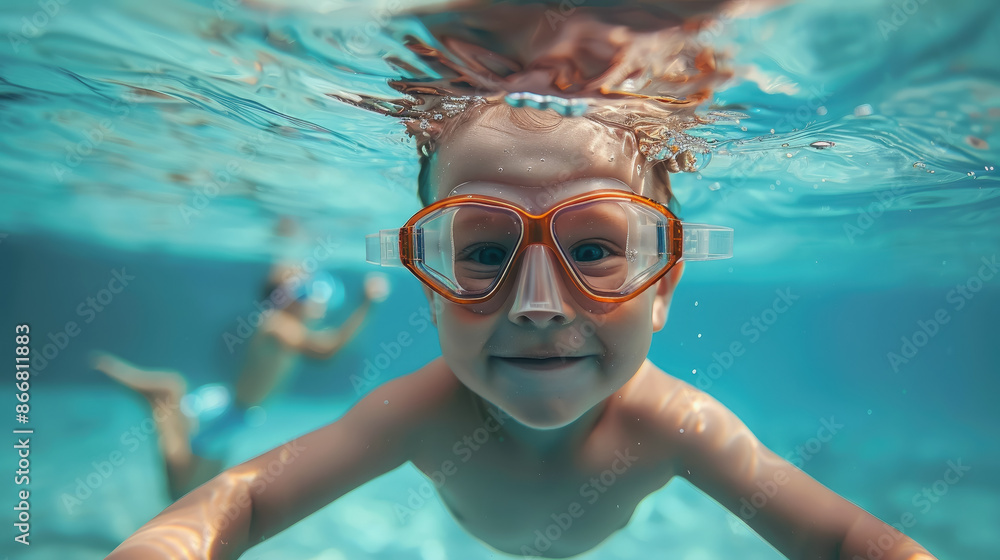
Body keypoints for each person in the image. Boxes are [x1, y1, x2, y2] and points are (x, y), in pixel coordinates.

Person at [106, 3, 938, 559]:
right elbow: (244, 503)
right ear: (431, 287)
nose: (539, 305)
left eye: (594, 252)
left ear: (664, 286)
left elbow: (840, 544)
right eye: (482, 253)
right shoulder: (420, 415)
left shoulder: (680, 426)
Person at [93, 267, 390, 499]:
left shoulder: (284, 325)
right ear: (288, 297)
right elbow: (327, 351)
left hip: (231, 406)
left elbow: (322, 340)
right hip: (232, 415)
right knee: (181, 493)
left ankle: (169, 395)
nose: (317, 298)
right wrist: (367, 303)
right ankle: (161, 402)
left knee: (198, 487)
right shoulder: (279, 326)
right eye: (307, 290)